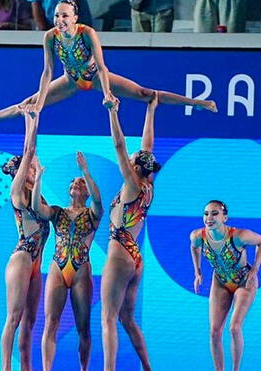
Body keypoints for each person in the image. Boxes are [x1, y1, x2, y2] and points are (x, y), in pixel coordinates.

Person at [0, 0, 216, 128]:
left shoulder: (87, 33)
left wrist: (107, 93)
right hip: (70, 81)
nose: (60, 19)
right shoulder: (50, 36)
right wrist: (39, 101)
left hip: (94, 77)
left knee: (144, 94)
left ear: (75, 16)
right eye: (57, 15)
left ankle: (198, 102)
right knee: (29, 104)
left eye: (65, 15)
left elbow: (102, 68)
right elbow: (48, 71)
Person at [101, 94, 161, 371]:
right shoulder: (148, 186)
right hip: (135, 257)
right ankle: (148, 367)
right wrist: (152, 110)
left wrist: (113, 112)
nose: (133, 155)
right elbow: (146, 146)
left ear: (135, 167)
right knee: (127, 318)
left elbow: (119, 144)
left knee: (108, 319)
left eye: (134, 159)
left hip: (119, 254)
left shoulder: (132, 183)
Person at [30, 151, 102, 370]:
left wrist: (85, 172)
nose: (75, 184)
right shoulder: (57, 212)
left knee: (84, 328)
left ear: (87, 191)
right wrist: (39, 178)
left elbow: (98, 200)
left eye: (80, 183)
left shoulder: (92, 213)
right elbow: (36, 208)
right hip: (57, 269)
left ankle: (84, 368)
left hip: (81, 270)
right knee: (51, 323)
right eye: (73, 182)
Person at [0, 111, 49, 371]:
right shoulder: (17, 191)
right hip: (21, 259)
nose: (33, 169)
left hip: (35, 266)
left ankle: (26, 368)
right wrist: (30, 120)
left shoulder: (37, 195)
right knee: (14, 318)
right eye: (28, 168)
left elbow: (33, 153)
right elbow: (29, 149)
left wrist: (34, 111)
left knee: (30, 322)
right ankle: (6, 368)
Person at [190, 200, 261, 371]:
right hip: (220, 281)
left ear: (225, 218)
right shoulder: (197, 236)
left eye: (215, 214)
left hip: (244, 281)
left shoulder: (239, 236)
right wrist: (197, 272)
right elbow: (194, 248)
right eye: (206, 213)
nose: (209, 218)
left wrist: (255, 270)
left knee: (234, 328)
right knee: (214, 332)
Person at [28, 0, 92, 31]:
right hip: (49, 26)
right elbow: (35, 4)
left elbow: (70, 4)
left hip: (77, 25)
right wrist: (43, 29)